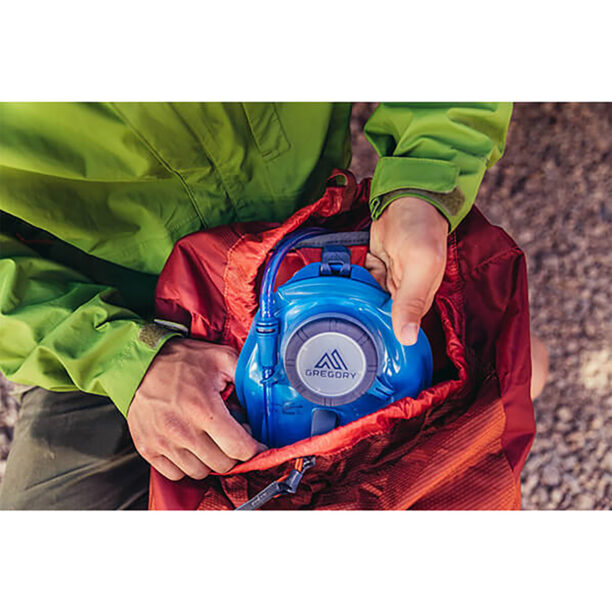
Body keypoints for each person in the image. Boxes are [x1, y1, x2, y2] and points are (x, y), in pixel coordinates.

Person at [0, 102, 537, 510]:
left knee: (493, 381)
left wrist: (422, 185)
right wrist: (119, 356)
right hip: (117, 306)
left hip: (327, 238)